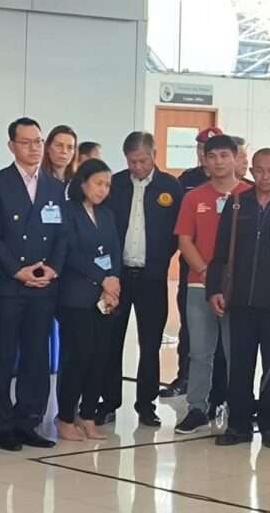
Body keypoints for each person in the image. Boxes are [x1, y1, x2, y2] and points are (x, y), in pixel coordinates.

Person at [207, 148, 270, 448]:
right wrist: (214, 289)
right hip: (240, 302)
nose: (265, 176)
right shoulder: (238, 203)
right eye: (259, 170)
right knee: (239, 366)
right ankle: (238, 424)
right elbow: (220, 251)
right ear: (251, 171)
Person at [0, 117, 67, 451]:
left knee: (36, 356)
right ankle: (3, 424)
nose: (34, 148)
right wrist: (17, 270)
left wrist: (52, 268)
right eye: (26, 142)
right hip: (8, 285)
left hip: (43, 286)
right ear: (11, 145)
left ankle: (28, 421)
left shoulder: (54, 187)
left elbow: (62, 234)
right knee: (3, 356)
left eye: (38, 141)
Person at [100, 132, 183, 427]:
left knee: (150, 344)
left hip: (152, 278)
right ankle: (109, 401)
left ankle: (146, 404)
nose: (137, 167)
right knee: (111, 341)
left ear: (154, 155)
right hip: (117, 277)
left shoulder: (170, 187)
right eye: (132, 161)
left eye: (142, 161)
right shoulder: (115, 184)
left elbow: (177, 233)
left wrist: (159, 261)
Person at [173, 134, 252, 434]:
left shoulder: (249, 195)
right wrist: (208, 274)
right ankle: (197, 407)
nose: (218, 162)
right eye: (212, 156)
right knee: (200, 351)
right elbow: (185, 240)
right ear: (204, 160)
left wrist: (228, 280)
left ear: (236, 158)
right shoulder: (194, 197)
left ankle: (238, 408)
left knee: (237, 353)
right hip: (199, 285)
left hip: (240, 289)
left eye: (224, 156)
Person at [55, 159, 121, 442]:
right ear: (83, 183)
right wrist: (101, 278)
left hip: (104, 297)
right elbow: (70, 253)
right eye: (98, 183)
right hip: (75, 296)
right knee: (78, 356)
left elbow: (115, 251)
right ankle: (65, 417)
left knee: (100, 356)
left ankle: (88, 415)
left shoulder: (107, 214)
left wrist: (113, 282)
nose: (103, 189)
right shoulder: (67, 211)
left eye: (107, 185)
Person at [162, 126, 224, 399]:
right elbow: (179, 229)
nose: (209, 156)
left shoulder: (242, 188)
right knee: (191, 331)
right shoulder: (187, 182)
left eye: (219, 152)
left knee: (225, 338)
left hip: (230, 276)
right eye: (202, 149)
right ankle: (185, 379)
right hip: (194, 271)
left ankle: (221, 391)